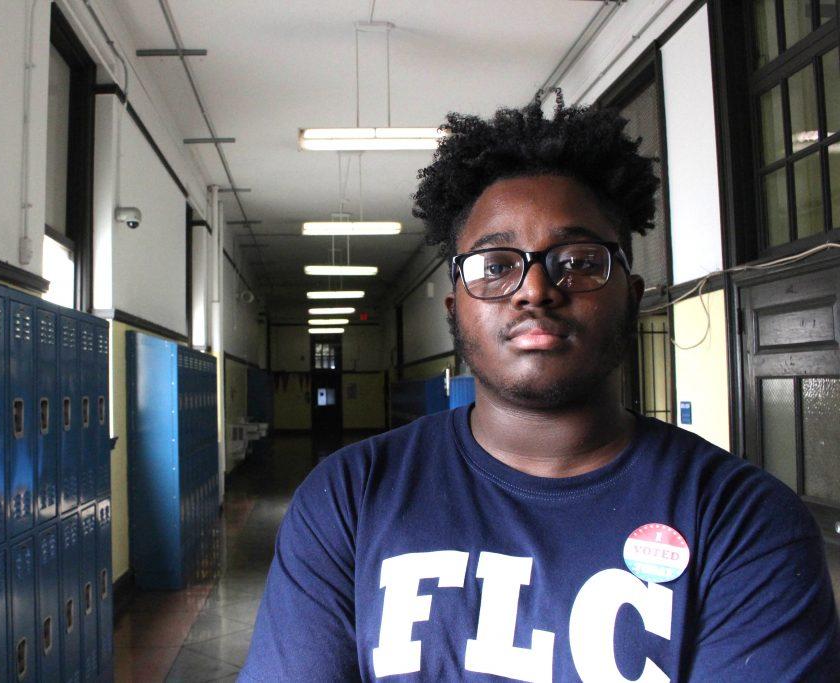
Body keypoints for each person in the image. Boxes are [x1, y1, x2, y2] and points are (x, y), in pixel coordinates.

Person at [240, 93, 840, 681]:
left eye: (578, 260)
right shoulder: (349, 498)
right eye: (496, 265)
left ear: (631, 298)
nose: (534, 289)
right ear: (455, 310)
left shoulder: (742, 521)